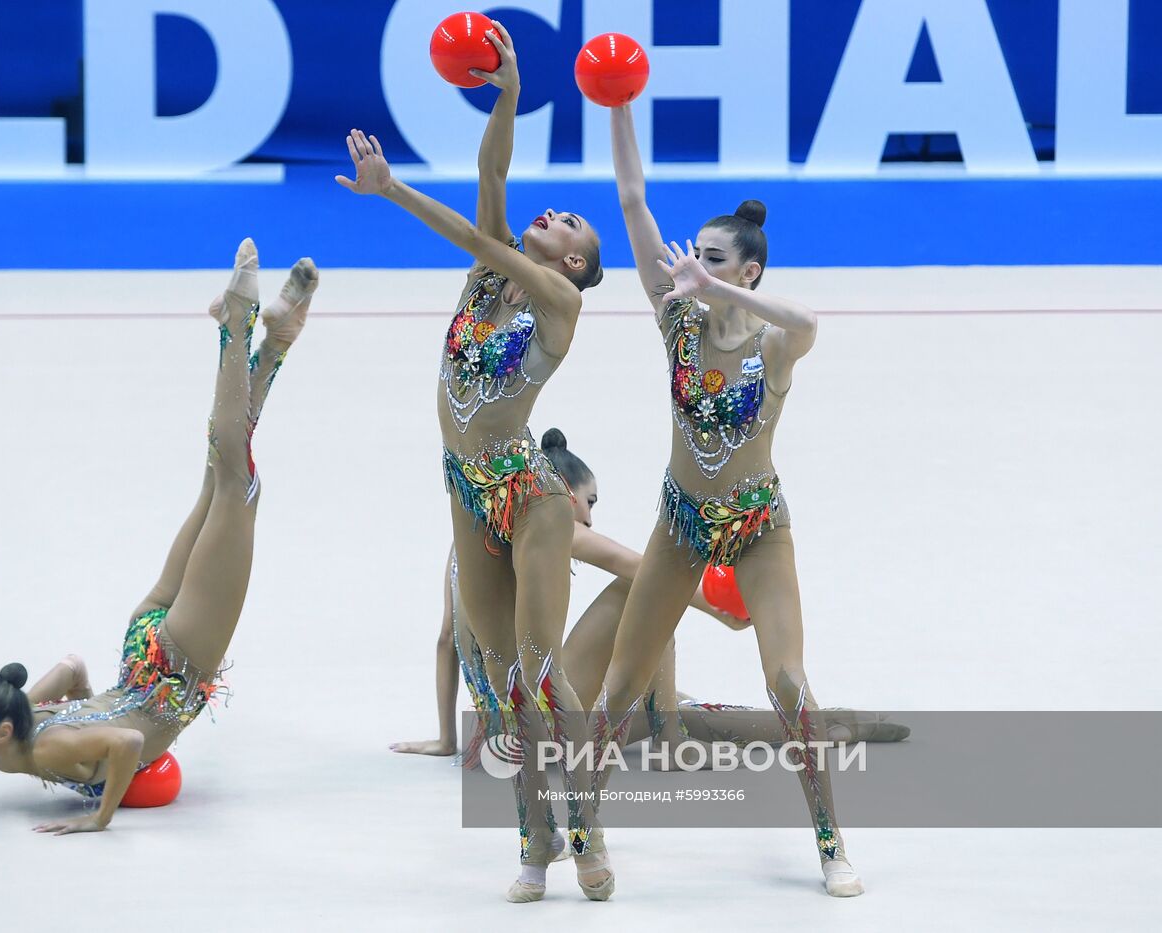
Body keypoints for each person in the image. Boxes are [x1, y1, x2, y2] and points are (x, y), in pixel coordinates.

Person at [336, 22, 612, 903]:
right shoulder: (494, 281)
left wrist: (391, 190)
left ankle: (591, 830)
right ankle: (534, 840)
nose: (548, 212)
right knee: (495, 676)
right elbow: (492, 179)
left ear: (575, 259)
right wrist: (504, 96)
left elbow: (473, 231)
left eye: (567, 221)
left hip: (528, 497)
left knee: (540, 666)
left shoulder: (560, 298)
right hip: (464, 489)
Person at [0, 239, 317, 834]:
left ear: (3, 732)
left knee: (234, 487)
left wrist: (100, 817)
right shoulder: (25, 709)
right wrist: (92, 700)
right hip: (144, 652)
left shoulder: (38, 752)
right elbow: (69, 667)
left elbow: (123, 743)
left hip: (172, 668)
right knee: (221, 483)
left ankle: (240, 322)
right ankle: (272, 341)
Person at [588, 103, 864, 897]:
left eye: (711, 261)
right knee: (621, 682)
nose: (689, 269)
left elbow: (808, 320)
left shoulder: (774, 347)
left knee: (787, 681)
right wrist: (618, 106)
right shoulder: (675, 321)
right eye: (690, 258)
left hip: (757, 528)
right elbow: (635, 200)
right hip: (680, 522)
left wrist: (713, 287)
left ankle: (830, 838)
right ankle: (581, 834)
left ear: (746, 272)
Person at [390, 429, 906, 762]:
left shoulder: (466, 545)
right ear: (562, 495)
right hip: (536, 743)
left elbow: (445, 645)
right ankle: (686, 738)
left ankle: (795, 726)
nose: (589, 517)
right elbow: (639, 567)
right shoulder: (547, 523)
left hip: (491, 746)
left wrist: (447, 741)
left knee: (671, 698)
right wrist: (723, 613)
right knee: (642, 597)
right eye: (588, 502)